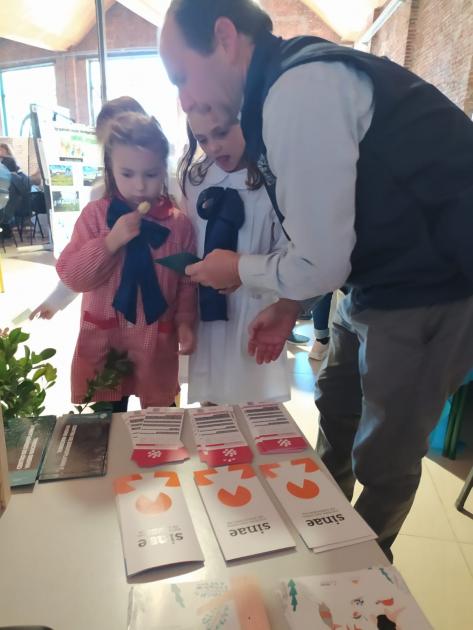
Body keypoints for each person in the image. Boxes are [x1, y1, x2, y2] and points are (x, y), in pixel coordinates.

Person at [159, 0, 473, 559]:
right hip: (371, 282)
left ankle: (360, 569)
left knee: (387, 449)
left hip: (431, 288)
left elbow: (320, 259)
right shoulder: (277, 95)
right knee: (336, 403)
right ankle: (322, 527)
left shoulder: (298, 91)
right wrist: (286, 305)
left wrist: (240, 271)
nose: (184, 98)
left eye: (181, 74)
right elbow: (331, 235)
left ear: (225, 38)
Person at [56, 112, 197, 412]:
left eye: (151, 174)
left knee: (160, 423)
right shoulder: (95, 216)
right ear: (110, 168)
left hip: (156, 339)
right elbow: (73, 276)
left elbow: (186, 281)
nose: (140, 186)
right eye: (128, 174)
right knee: (105, 428)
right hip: (106, 338)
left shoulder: (179, 225)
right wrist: (110, 242)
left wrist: (186, 322)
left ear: (164, 171)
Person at [180, 109, 290, 404]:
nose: (213, 147)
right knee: (211, 405)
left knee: (252, 401)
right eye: (202, 138)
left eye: (222, 132)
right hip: (206, 316)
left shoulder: (276, 182)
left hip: (252, 312)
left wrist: (244, 273)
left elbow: (290, 253)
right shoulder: (194, 180)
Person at [30, 96, 147, 320]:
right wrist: (55, 300)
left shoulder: (167, 188)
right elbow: (84, 259)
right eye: (109, 141)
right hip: (106, 310)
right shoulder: (99, 196)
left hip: (153, 312)